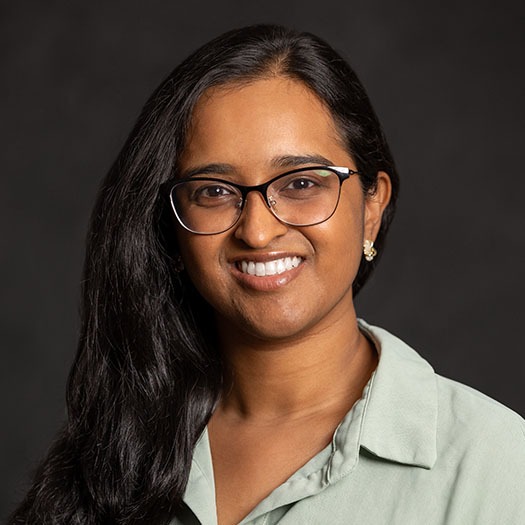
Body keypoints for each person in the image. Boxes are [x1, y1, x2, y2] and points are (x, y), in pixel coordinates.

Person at [9, 24, 525, 525]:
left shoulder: (496, 465)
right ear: (171, 227)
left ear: (371, 207)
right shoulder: (113, 447)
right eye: (213, 190)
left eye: (301, 183)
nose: (257, 232)